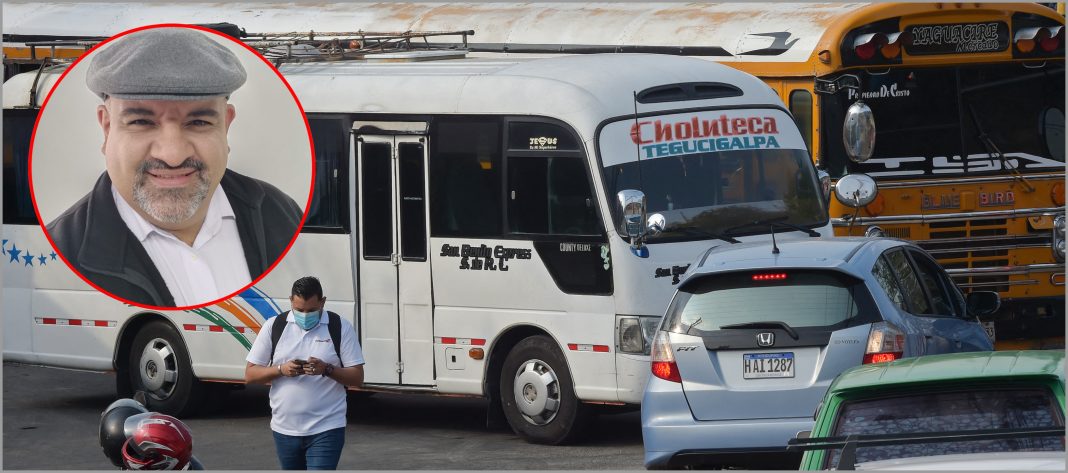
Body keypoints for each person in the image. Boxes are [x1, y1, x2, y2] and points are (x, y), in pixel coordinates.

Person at [45, 26, 302, 308]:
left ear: (226, 126)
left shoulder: (281, 214)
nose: (172, 155)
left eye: (199, 122)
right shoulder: (60, 251)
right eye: (141, 122)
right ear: (107, 128)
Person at [245, 276, 364, 470]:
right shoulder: (274, 326)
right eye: (299, 310)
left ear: (322, 302)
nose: (305, 315)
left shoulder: (339, 327)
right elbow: (250, 375)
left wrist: (326, 369)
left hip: (327, 428)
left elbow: (357, 378)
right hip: (284, 429)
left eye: (311, 310)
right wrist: (281, 370)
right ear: (291, 300)